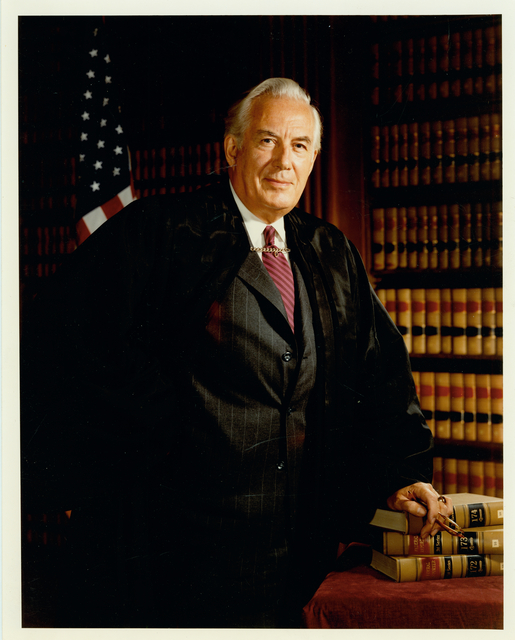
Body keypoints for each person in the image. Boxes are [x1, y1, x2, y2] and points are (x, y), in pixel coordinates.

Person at [21, 78, 451, 629]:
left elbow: (380, 376)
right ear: (232, 148)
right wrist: (167, 429)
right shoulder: (162, 233)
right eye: (267, 140)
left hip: (297, 552)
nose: (283, 162)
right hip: (177, 551)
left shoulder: (330, 251)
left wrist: (397, 472)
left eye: (299, 146)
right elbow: (66, 340)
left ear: (315, 156)